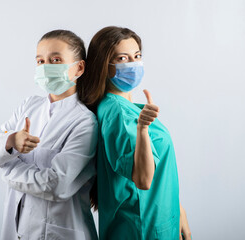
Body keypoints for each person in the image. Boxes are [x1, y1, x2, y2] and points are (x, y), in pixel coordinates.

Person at [0, 30, 98, 240]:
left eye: (55, 60)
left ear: (79, 67)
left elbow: (56, 185)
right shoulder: (29, 106)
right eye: (40, 61)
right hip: (17, 229)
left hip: (59, 232)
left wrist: (8, 168)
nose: (45, 67)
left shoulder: (84, 122)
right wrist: (12, 141)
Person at [77, 26, 192, 240]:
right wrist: (142, 129)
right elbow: (143, 179)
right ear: (104, 65)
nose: (133, 64)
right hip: (140, 228)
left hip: (157, 217)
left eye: (137, 56)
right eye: (122, 58)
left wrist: (178, 208)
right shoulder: (117, 112)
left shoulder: (123, 107)